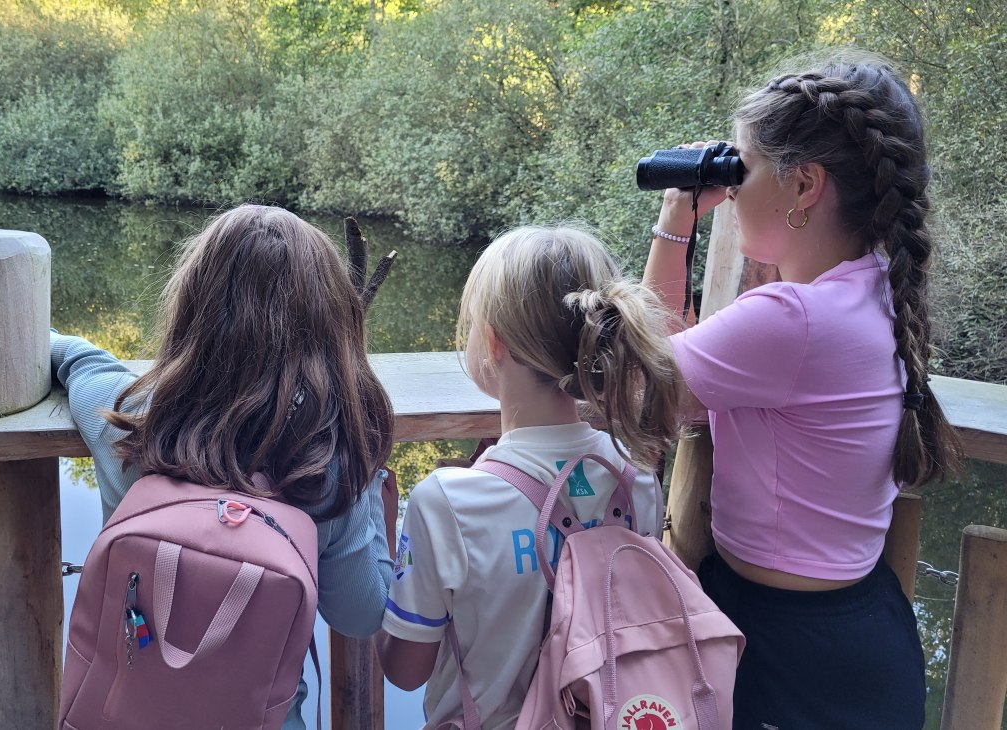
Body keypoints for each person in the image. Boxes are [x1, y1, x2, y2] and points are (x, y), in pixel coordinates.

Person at [643, 52, 964, 729]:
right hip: (865, 630)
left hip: (779, 648)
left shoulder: (792, 321)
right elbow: (686, 372)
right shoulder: (876, 287)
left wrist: (676, 216)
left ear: (804, 185)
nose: (731, 187)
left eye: (745, 168)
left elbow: (648, 386)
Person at [50, 204, 396, 729]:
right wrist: (367, 470)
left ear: (191, 308)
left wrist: (51, 341)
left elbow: (79, 360)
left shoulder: (131, 422)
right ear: (330, 325)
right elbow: (360, 613)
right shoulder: (328, 454)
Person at [376, 225, 680, 728]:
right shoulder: (636, 475)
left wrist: (384, 546)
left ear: (493, 342)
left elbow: (405, 671)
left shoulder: (447, 502)